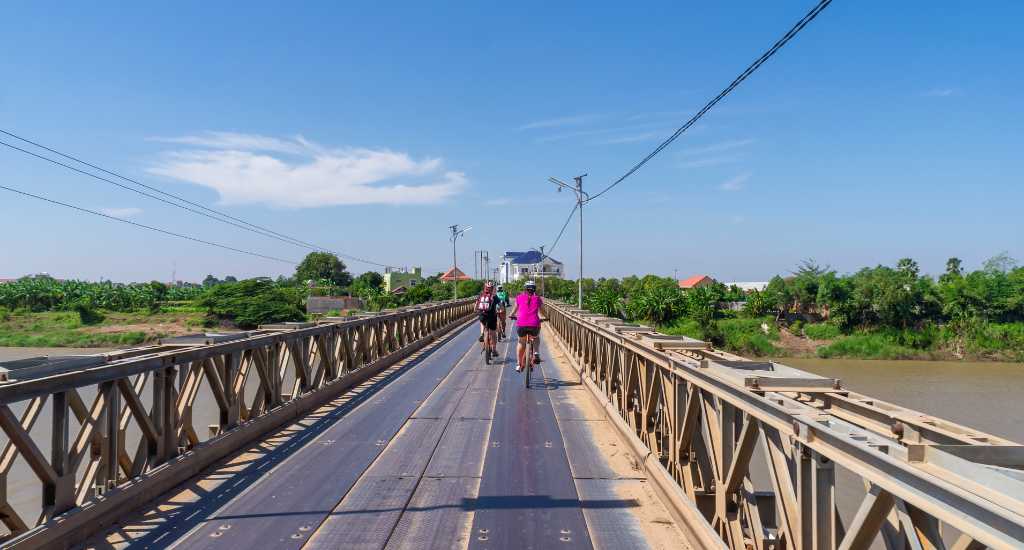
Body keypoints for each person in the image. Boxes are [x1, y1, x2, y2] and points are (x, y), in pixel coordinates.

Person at [510, 280, 543, 371]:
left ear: (525, 289)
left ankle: (518, 363)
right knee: (536, 337)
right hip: (534, 325)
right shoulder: (538, 298)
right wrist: (545, 317)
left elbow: (515, 309)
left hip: (521, 325)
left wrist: (512, 315)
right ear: (534, 289)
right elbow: (542, 311)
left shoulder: (519, 297)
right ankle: (536, 352)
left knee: (521, 342)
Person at [475, 281, 499, 360]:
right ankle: (494, 350)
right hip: (492, 317)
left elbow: (476, 305)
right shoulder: (494, 296)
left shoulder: (480, 295)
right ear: (492, 289)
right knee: (493, 333)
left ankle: (482, 334)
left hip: (483, 316)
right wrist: (500, 310)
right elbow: (501, 306)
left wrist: (476, 310)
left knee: (482, 322)